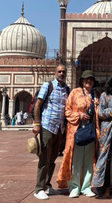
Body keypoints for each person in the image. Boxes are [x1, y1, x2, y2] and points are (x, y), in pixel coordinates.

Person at [57, 70, 99, 199]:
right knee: (75, 160)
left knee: (89, 160)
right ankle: (74, 187)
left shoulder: (96, 95)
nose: (88, 81)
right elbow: (67, 111)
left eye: (91, 79)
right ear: (81, 81)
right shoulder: (74, 93)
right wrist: (79, 115)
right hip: (77, 131)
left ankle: (86, 187)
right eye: (86, 79)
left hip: (91, 131)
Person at [32, 65, 71, 200]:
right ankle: (38, 189)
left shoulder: (67, 89)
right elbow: (38, 105)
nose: (61, 73)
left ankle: (47, 186)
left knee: (52, 159)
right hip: (47, 126)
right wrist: (37, 124)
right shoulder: (48, 86)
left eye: (64, 72)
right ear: (55, 73)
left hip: (59, 128)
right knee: (44, 158)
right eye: (59, 71)